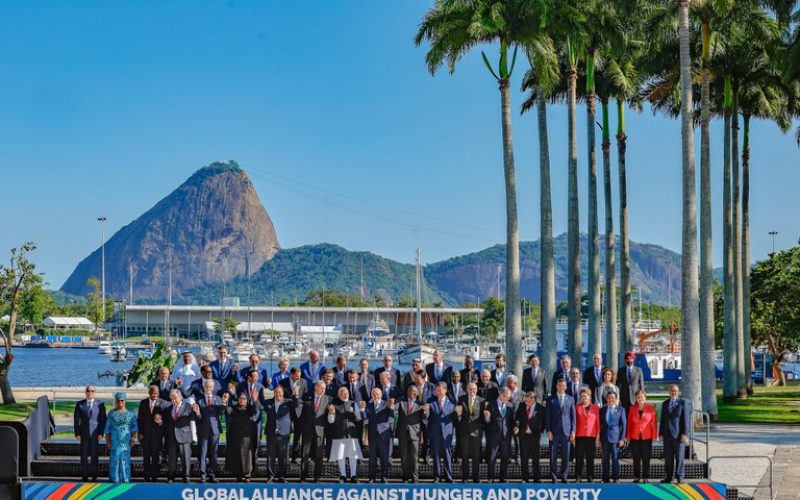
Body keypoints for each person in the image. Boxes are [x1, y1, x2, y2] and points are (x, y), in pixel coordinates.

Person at [327, 386, 363, 483]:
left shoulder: (353, 403)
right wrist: (330, 413)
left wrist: (358, 412)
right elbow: (330, 421)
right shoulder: (334, 405)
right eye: (343, 393)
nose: (346, 394)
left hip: (352, 433)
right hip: (339, 433)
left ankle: (353, 475)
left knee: (353, 456)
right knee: (340, 456)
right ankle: (343, 476)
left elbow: (359, 418)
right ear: (339, 395)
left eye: (346, 393)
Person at [194, 379, 227, 483]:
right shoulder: (199, 400)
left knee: (214, 453)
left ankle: (212, 474)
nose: (208, 389)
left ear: (213, 388)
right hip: (203, 430)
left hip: (214, 430)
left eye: (210, 387)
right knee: (203, 453)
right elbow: (198, 417)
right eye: (207, 387)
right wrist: (197, 413)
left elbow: (221, 412)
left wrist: (224, 402)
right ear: (204, 387)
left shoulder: (218, 399)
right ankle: (203, 474)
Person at [297, 381, 331, 482]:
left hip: (320, 431)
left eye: (325, 388)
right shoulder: (307, 397)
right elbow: (300, 411)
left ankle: (317, 477)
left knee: (319, 455)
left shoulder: (327, 399)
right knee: (305, 454)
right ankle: (303, 476)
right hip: (307, 430)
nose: (324, 390)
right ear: (316, 387)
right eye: (322, 388)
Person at [360, 387, 395, 483]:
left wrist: (392, 407)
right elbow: (365, 418)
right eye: (374, 394)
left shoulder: (386, 404)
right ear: (371, 395)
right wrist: (362, 410)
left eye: (378, 394)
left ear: (381, 395)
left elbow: (392, 415)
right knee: (372, 458)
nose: (376, 396)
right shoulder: (369, 405)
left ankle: (384, 477)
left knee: (384, 457)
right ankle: (372, 477)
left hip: (384, 435)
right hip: (372, 435)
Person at [74, 385, 106, 482]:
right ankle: (84, 476)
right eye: (88, 391)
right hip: (83, 434)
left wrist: (101, 433)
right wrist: (77, 433)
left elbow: (103, 420)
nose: (90, 392)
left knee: (94, 455)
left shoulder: (100, 404)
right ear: (85, 392)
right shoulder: (80, 404)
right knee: (83, 455)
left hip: (95, 434)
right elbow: (76, 420)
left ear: (95, 392)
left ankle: (94, 476)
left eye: (92, 391)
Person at [659, 384, 691, 483]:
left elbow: (686, 419)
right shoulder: (665, 403)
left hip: (678, 435)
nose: (673, 392)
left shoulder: (683, 403)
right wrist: (660, 433)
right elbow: (663, 419)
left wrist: (685, 434)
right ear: (669, 392)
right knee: (668, 458)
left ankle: (680, 477)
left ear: (678, 392)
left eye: (675, 391)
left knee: (679, 457)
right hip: (667, 435)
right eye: (672, 391)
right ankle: (669, 477)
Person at [546, 378, 576, 483]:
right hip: (554, 431)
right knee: (552, 455)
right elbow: (547, 416)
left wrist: (573, 431)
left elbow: (573, 416)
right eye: (559, 385)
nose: (561, 387)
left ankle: (564, 476)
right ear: (556, 386)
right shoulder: (550, 399)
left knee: (566, 455)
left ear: (566, 387)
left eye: (563, 386)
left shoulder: (570, 399)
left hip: (566, 431)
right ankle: (554, 477)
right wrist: (548, 430)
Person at [426, 382, 457, 483]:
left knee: (447, 455)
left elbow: (455, 418)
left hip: (447, 432)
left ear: (445, 390)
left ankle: (448, 476)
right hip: (434, 432)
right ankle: (437, 476)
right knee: (435, 455)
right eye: (436, 390)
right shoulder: (430, 401)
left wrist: (459, 414)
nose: (437, 392)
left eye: (440, 390)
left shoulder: (452, 401)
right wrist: (425, 412)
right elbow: (426, 418)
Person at [104, 392, 137, 483]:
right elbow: (107, 428)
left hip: (126, 441)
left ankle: (125, 478)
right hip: (114, 441)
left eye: (122, 400)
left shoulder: (131, 413)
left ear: (125, 401)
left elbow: (134, 428)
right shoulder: (111, 413)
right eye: (118, 401)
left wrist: (133, 438)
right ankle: (114, 478)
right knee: (114, 459)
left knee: (125, 459)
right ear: (116, 401)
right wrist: (107, 440)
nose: (120, 403)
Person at [226, 393, 259, 482]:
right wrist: (225, 401)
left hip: (246, 437)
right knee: (237, 456)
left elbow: (256, 410)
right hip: (235, 436)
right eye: (240, 399)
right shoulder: (234, 408)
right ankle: (239, 474)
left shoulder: (249, 408)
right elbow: (227, 410)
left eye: (244, 399)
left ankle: (247, 474)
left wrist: (255, 400)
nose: (242, 400)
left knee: (247, 456)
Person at [484, 387, 515, 483]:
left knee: (505, 457)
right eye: (507, 397)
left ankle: (503, 477)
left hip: (506, 436)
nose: (509, 399)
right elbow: (486, 422)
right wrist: (487, 418)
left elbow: (512, 420)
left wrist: (515, 427)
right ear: (501, 395)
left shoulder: (510, 405)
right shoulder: (490, 404)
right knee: (492, 457)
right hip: (494, 436)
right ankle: (490, 477)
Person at [395, 385, 426, 483]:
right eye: (409, 390)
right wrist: (392, 407)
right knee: (403, 456)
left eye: (413, 391)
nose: (411, 392)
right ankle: (405, 477)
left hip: (415, 434)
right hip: (402, 433)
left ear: (416, 393)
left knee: (414, 457)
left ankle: (415, 477)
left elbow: (424, 420)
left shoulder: (421, 404)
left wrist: (426, 411)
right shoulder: (400, 401)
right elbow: (394, 411)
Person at [164, 389, 195, 483]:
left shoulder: (188, 407)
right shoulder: (169, 408)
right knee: (172, 459)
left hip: (184, 436)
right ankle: (171, 477)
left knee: (185, 458)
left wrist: (196, 412)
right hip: (172, 437)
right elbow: (167, 423)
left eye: (175, 398)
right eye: (172, 399)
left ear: (180, 397)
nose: (173, 401)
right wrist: (160, 421)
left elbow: (196, 418)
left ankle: (186, 476)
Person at [237, 368, 267, 467]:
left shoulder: (260, 387)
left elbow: (263, 405)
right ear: (249, 377)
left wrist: (255, 401)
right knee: (245, 442)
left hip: (256, 419)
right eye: (254, 377)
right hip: (245, 419)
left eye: (257, 377)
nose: (256, 379)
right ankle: (245, 464)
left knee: (256, 441)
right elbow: (238, 401)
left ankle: (254, 461)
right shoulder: (241, 386)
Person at [138, 385, 168, 482]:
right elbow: (140, 419)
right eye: (152, 393)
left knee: (156, 456)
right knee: (146, 456)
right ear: (149, 393)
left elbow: (167, 420)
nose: (154, 395)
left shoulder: (163, 403)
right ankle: (146, 476)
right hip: (145, 435)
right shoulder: (143, 403)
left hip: (157, 436)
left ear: (158, 393)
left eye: (156, 393)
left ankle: (154, 476)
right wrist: (140, 432)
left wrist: (161, 422)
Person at [264, 385, 293, 482]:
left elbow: (297, 404)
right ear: (274, 393)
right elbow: (259, 406)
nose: (278, 394)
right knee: (270, 456)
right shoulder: (268, 402)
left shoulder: (288, 402)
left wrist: (296, 396)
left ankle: (282, 476)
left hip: (283, 434)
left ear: (283, 393)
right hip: (271, 433)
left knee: (283, 456)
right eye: (276, 392)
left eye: (280, 392)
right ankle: (271, 476)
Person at [627, 389, 657, 483]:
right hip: (634, 436)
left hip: (647, 437)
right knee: (636, 457)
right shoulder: (632, 408)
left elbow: (654, 423)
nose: (640, 399)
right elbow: (629, 423)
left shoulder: (651, 408)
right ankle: (636, 477)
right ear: (636, 398)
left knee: (646, 457)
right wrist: (628, 436)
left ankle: (645, 477)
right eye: (639, 397)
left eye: (642, 397)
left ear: (645, 398)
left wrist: (654, 436)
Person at [457, 382, 484, 483]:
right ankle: (465, 477)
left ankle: (475, 477)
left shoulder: (481, 401)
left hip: (476, 432)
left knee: (476, 456)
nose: (472, 391)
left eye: (474, 389)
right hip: (464, 432)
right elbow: (458, 416)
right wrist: (458, 414)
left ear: (477, 390)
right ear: (467, 389)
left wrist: (487, 416)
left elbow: (483, 418)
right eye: (470, 389)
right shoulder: (461, 399)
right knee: (464, 455)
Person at [515, 391, 545, 483]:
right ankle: (525, 478)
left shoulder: (540, 408)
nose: (525, 402)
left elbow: (544, 421)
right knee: (524, 458)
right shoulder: (522, 405)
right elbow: (517, 418)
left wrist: (540, 431)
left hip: (535, 436)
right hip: (523, 435)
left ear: (533, 400)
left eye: (527, 401)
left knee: (535, 458)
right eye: (525, 400)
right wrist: (516, 426)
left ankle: (536, 478)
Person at [599, 390, 627, 483]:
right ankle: (605, 478)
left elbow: (624, 425)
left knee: (615, 459)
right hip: (604, 438)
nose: (611, 400)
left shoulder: (621, 409)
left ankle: (616, 478)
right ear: (606, 399)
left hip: (616, 438)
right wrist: (598, 438)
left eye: (613, 398)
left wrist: (622, 438)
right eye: (609, 398)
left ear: (615, 399)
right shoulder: (602, 410)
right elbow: (599, 424)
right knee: (605, 459)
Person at [574, 387, 600, 482]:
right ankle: (578, 476)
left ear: (590, 397)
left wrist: (598, 437)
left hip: (591, 436)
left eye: (586, 396)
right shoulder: (577, 407)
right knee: (579, 457)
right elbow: (574, 422)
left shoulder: (596, 408)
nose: (584, 398)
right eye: (582, 396)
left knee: (590, 457)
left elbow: (597, 423)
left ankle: (590, 476)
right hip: (579, 436)